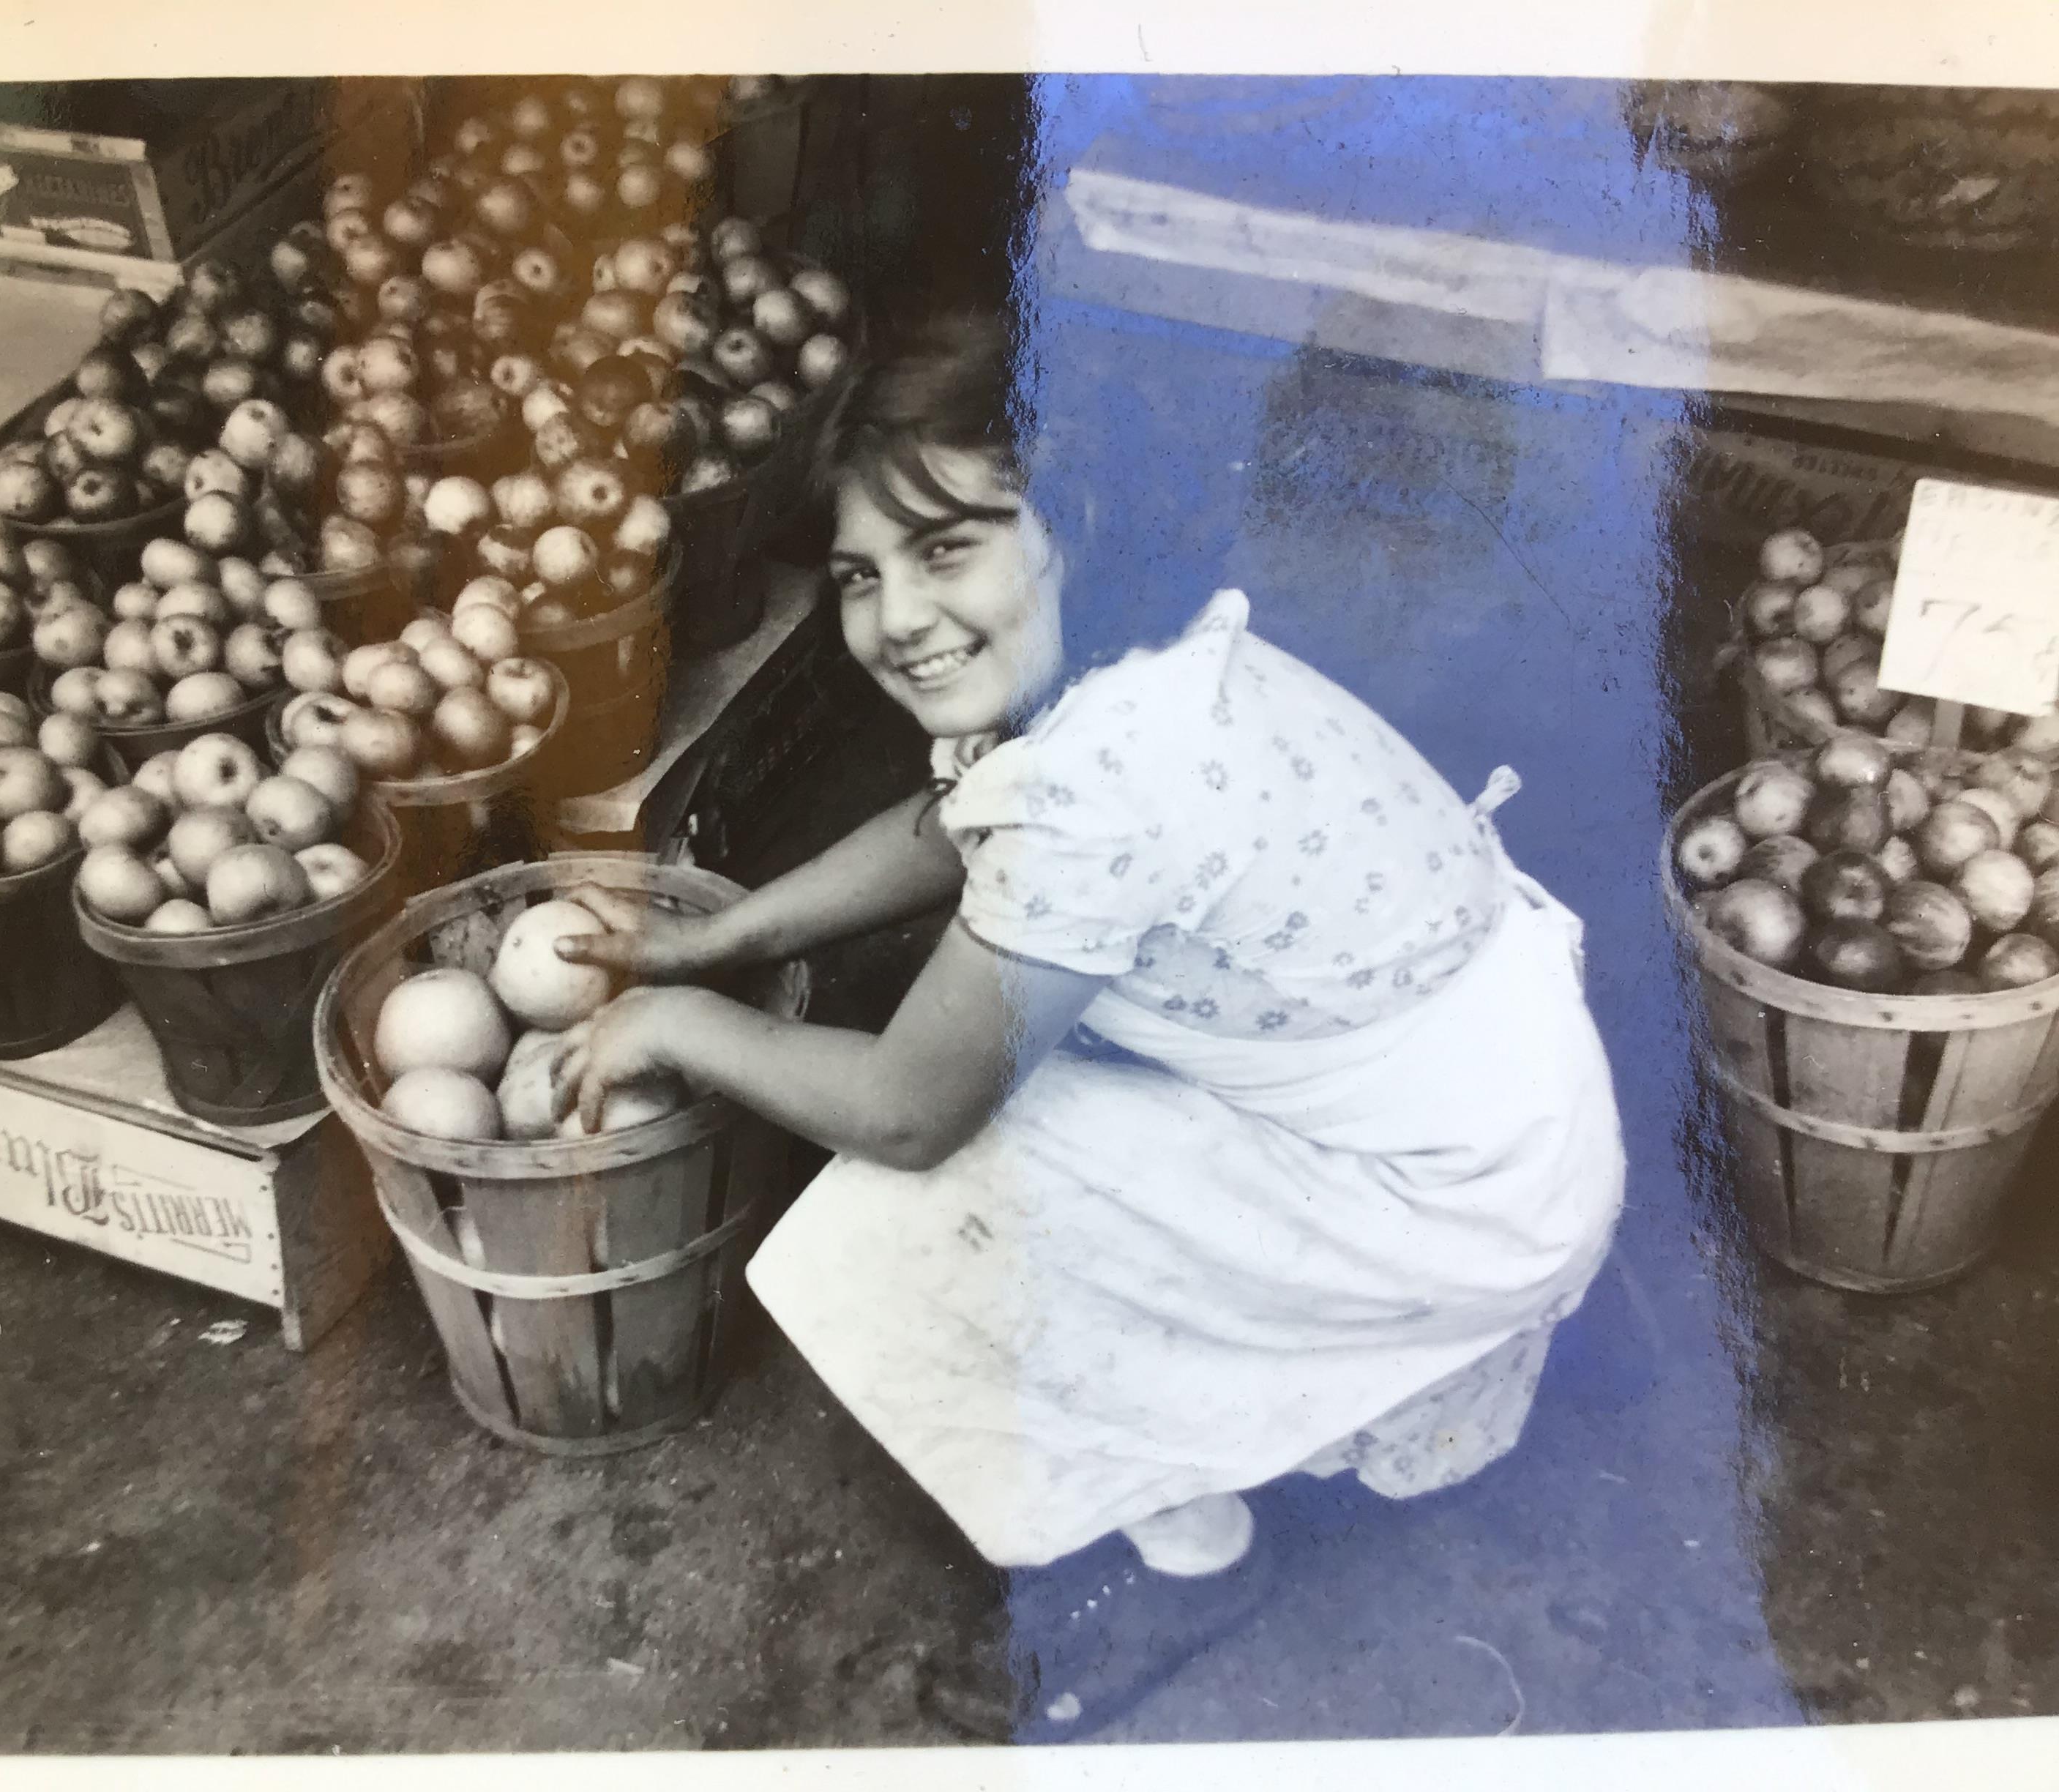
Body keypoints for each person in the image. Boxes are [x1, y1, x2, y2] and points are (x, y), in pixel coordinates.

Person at [548, 310, 1628, 1739]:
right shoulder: (1125, 649)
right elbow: (946, 824)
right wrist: (730, 932)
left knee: (904, 1207)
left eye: (949, 549)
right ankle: (1226, 1405)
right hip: (1470, 1088)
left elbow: (908, 1110)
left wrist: (681, 1027)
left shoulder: (1112, 782)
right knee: (995, 1053)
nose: (896, 618)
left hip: (1452, 1183)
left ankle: (1181, 1542)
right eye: (862, 577)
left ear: (1078, 516)